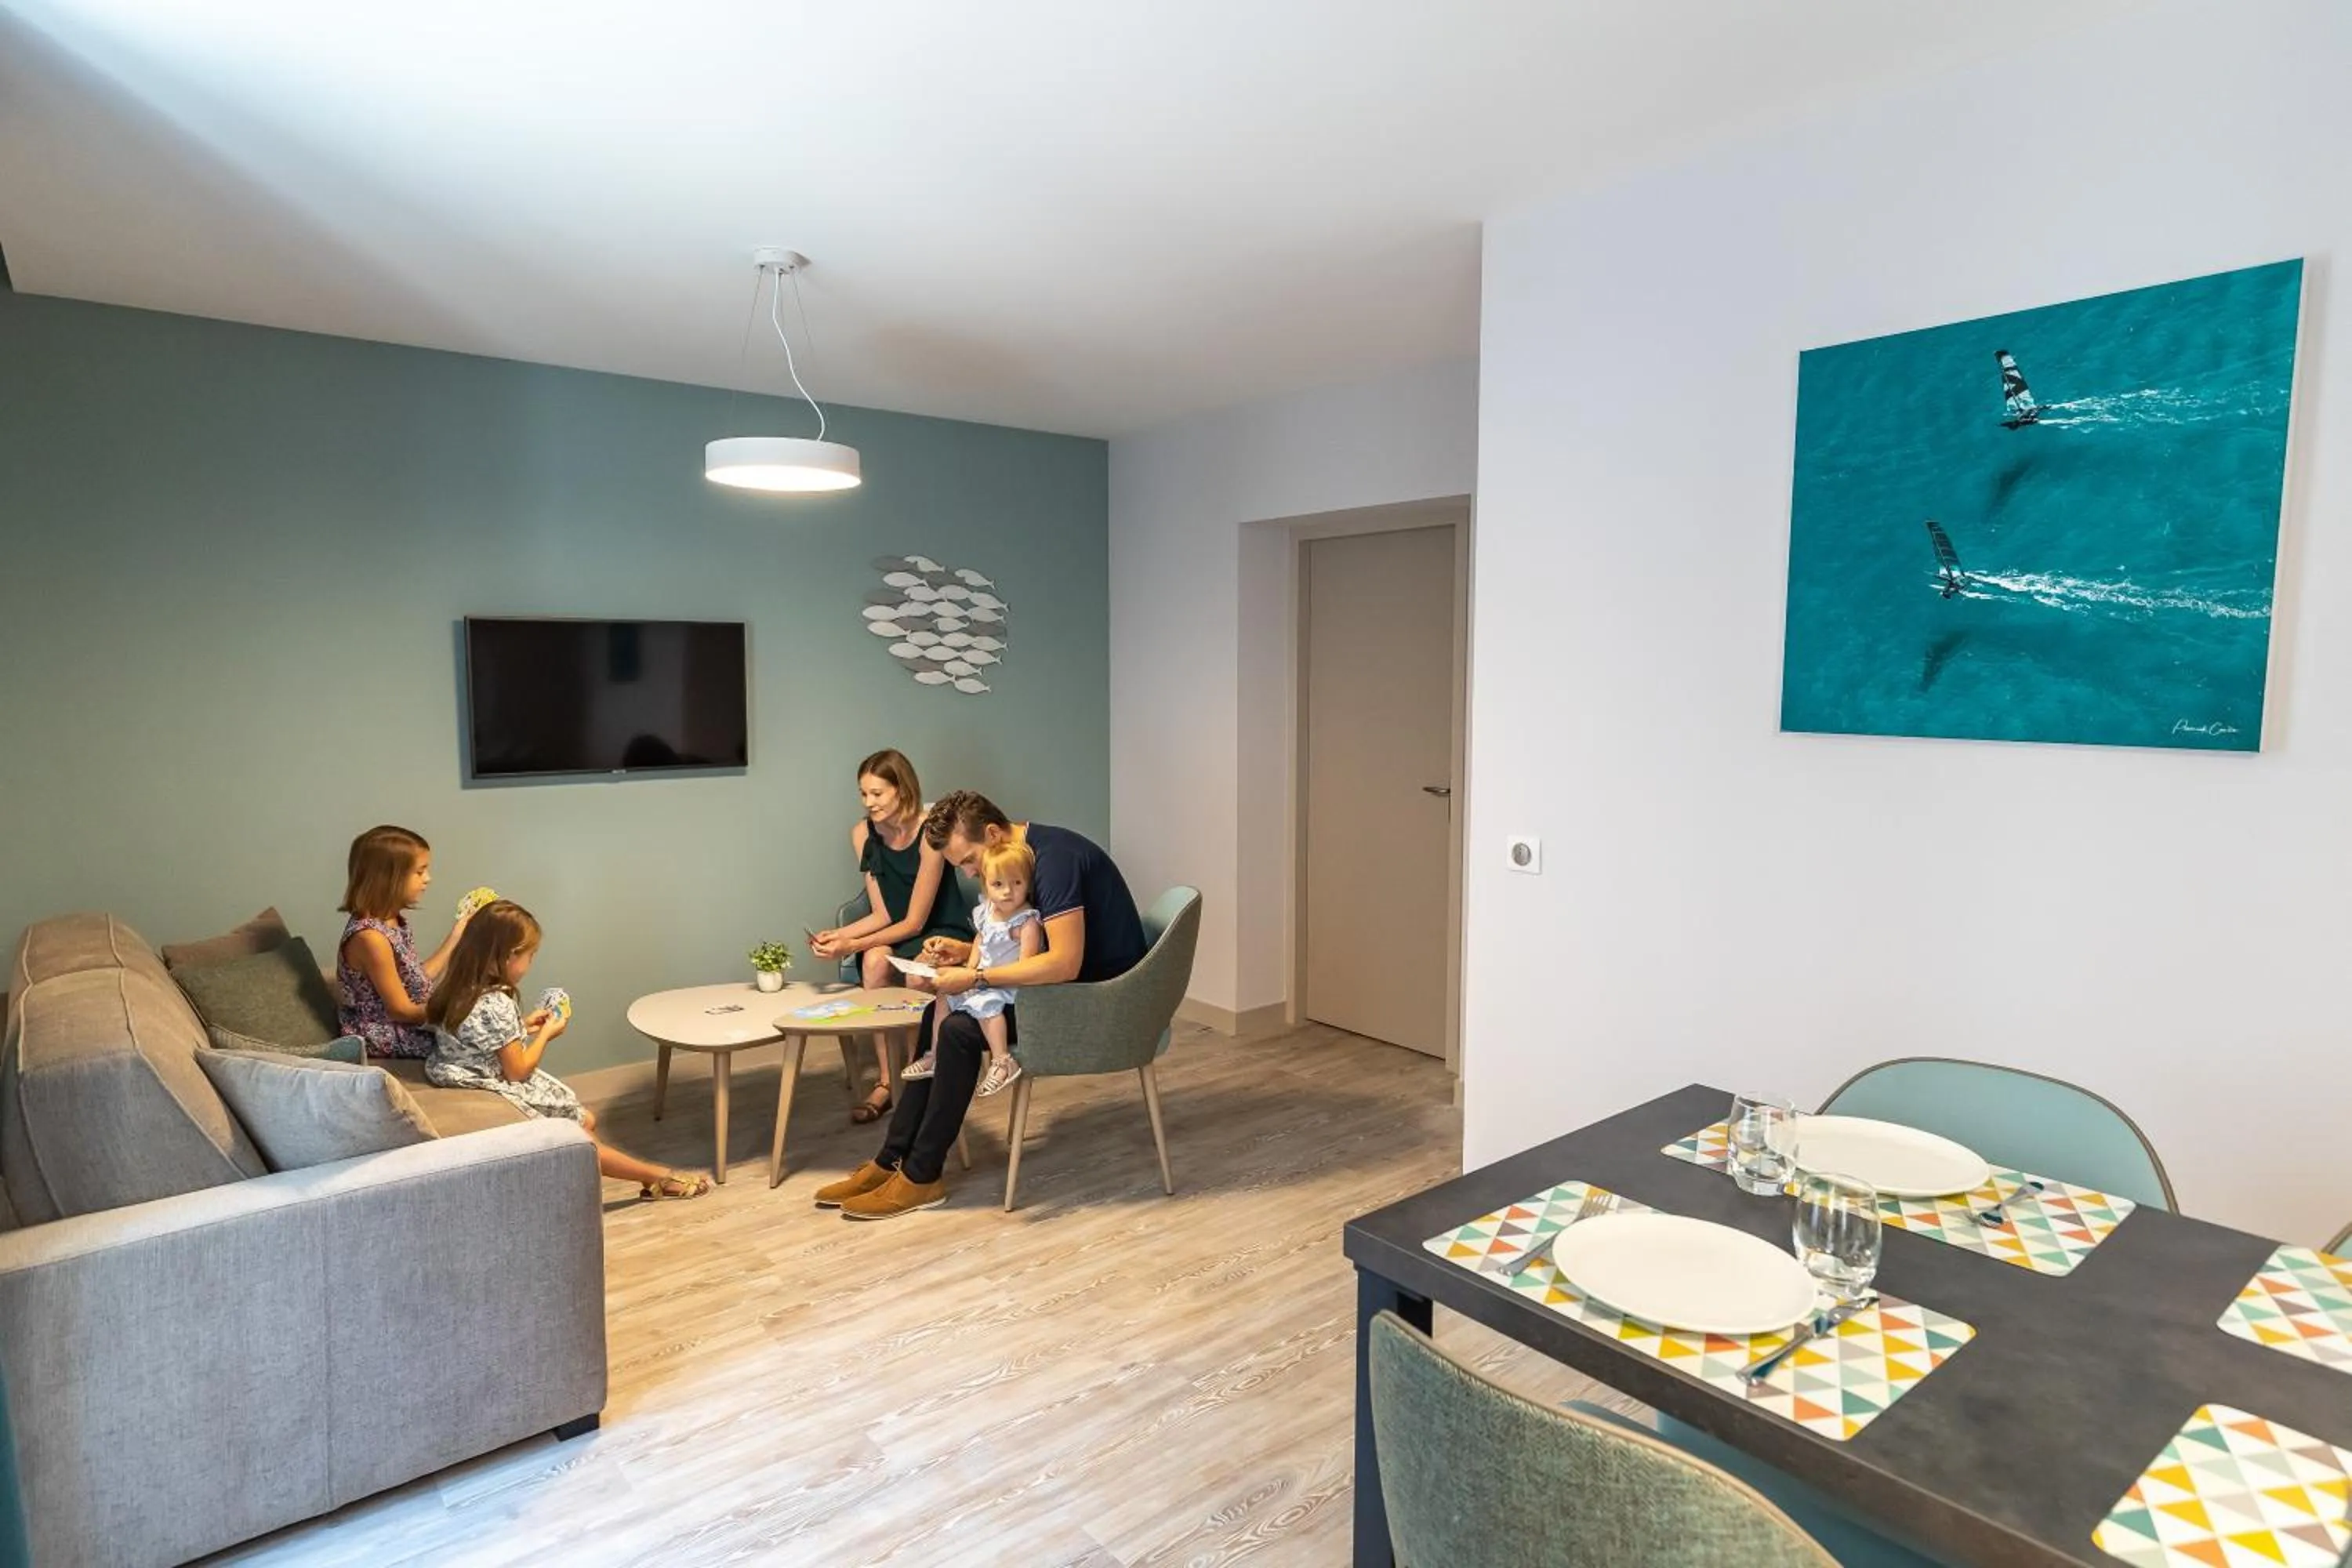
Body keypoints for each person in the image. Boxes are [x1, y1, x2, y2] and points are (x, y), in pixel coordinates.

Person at [817, 789, 1148, 1221]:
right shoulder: (1019, 861)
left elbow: (1065, 963)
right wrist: (964, 953)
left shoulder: (1056, 862)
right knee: (940, 1011)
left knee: (956, 1029)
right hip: (1062, 991)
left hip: (1101, 1002)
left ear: (992, 833)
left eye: (969, 861)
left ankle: (921, 1175)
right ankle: (891, 1160)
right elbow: (1025, 945)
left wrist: (975, 976)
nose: (972, 873)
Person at [426, 900, 711, 1200]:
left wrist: (521, 1026)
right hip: (486, 1083)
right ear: (510, 956)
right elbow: (518, 1070)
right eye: (530, 955)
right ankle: (657, 1177)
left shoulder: (457, 986)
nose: (530, 963)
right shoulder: (497, 1003)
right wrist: (547, 1034)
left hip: (462, 1073)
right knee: (580, 1134)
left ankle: (580, 1177)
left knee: (586, 1119)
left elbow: (474, 1035)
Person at [808, 750, 975, 1123]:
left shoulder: (932, 830)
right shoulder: (862, 834)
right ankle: (887, 1081)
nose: (869, 803)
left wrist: (850, 945)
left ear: (902, 790)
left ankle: (921, 1079)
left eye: (877, 793)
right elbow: (883, 913)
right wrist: (837, 936)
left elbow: (915, 922)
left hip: (939, 928)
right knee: (873, 960)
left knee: (917, 974)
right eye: (863, 794)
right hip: (896, 928)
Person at [901, 837, 1042, 1098]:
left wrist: (977, 977)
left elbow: (1027, 966)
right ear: (986, 885)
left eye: (1017, 883)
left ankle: (1003, 1061)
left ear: (1028, 883)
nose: (1007, 892)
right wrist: (970, 968)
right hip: (980, 978)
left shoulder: (1026, 922)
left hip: (1005, 984)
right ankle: (935, 1055)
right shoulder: (988, 911)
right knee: (944, 996)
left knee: (987, 1005)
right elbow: (980, 940)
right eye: (998, 884)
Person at [337, 825, 474, 1058]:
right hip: (389, 1037)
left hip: (409, 1025)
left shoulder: (392, 921)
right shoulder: (371, 938)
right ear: (389, 878)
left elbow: (415, 979)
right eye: (420, 872)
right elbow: (401, 1010)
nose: (428, 879)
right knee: (479, 1044)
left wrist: (457, 935)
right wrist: (453, 1014)